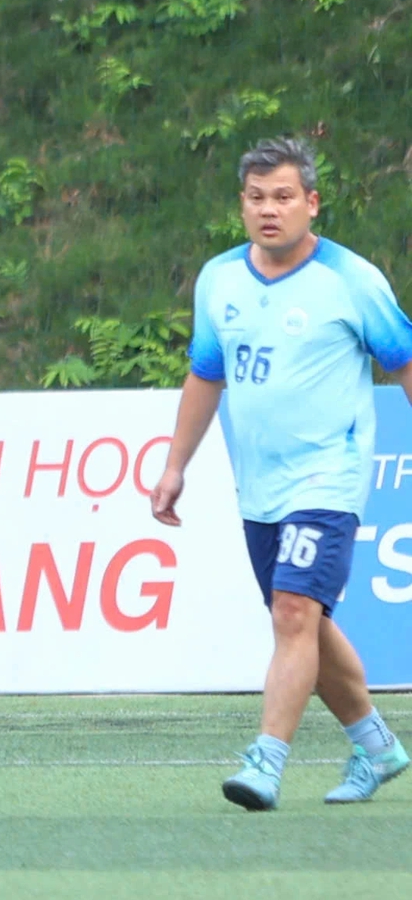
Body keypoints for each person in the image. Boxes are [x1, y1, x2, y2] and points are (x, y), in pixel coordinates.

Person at [150, 137, 412, 811]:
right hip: (260, 486)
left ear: (311, 203)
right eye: (257, 197)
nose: (270, 210)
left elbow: (404, 362)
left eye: (284, 197)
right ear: (242, 204)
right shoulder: (219, 280)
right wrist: (176, 465)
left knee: (294, 612)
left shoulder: (351, 280)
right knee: (305, 621)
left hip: (330, 476)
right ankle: (377, 745)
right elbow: (207, 374)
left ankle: (266, 760)